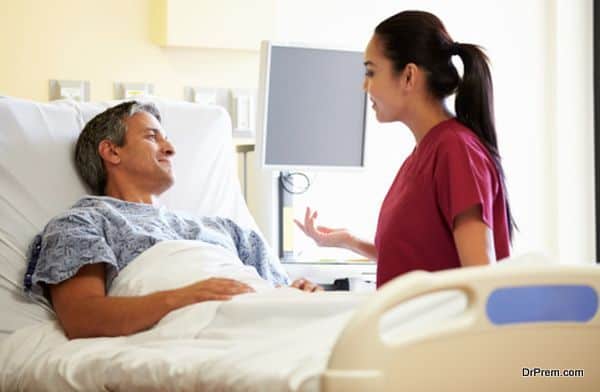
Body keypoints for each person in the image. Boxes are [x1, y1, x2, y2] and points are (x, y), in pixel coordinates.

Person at [24, 101, 320, 340]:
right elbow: (83, 318)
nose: (170, 149)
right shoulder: (82, 223)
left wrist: (300, 293)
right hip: (205, 331)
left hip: (269, 324)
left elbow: (276, 295)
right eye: (153, 137)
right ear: (111, 151)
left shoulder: (225, 229)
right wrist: (183, 298)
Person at [296, 10, 515, 288]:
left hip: (436, 330)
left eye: (371, 71)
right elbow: (417, 260)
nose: (365, 86)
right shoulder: (424, 154)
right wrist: (347, 241)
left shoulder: (456, 151)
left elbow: (482, 281)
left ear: (409, 76)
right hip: (409, 327)